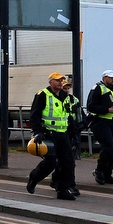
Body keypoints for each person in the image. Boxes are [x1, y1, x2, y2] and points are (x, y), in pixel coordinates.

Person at [26, 72, 77, 200]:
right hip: (48, 133)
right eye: (57, 80)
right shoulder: (42, 95)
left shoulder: (65, 96)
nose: (60, 83)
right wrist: (38, 132)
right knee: (51, 162)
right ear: (50, 82)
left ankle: (62, 190)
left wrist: (74, 133)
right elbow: (34, 115)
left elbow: (68, 115)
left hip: (63, 134)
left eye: (61, 80)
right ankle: (34, 178)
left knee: (68, 163)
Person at [86, 69, 113, 185]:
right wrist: (106, 109)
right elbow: (91, 106)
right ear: (104, 78)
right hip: (101, 122)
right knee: (109, 147)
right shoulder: (98, 88)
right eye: (111, 77)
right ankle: (99, 171)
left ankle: (107, 174)